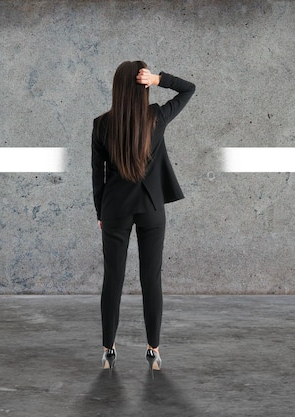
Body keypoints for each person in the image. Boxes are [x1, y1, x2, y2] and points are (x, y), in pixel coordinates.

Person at [91, 61, 195, 372]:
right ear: (143, 86)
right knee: (151, 279)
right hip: (151, 208)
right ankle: (154, 350)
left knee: (113, 279)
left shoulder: (101, 124)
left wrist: (100, 211)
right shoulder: (157, 117)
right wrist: (161, 78)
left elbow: (99, 174)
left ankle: (108, 350)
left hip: (114, 210)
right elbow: (188, 88)